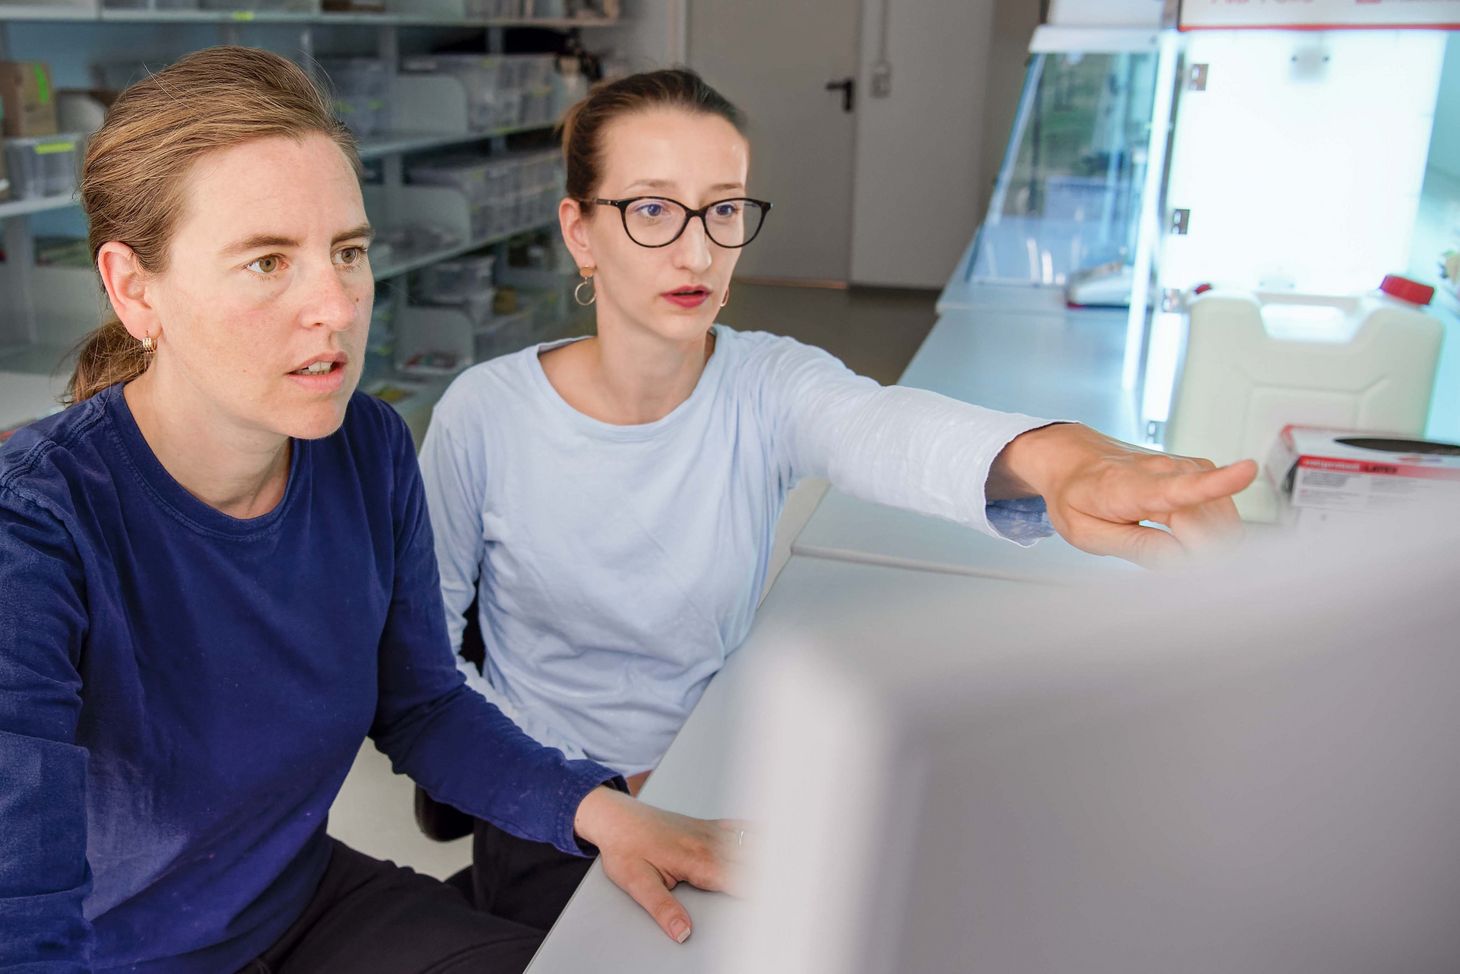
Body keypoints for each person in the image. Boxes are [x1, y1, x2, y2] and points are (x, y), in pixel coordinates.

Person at [417, 68, 1258, 926]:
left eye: (724, 209)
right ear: (581, 231)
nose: (699, 252)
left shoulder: (763, 383)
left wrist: (1058, 459)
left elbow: (884, 428)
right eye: (652, 209)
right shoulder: (485, 414)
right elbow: (427, 664)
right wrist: (591, 796)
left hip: (708, 773)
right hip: (543, 802)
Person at [0, 48, 738, 974]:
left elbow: (424, 705)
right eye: (268, 261)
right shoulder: (35, 524)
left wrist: (605, 815)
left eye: (348, 251)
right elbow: (18, 909)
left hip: (301, 906)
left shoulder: (368, 449)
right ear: (133, 286)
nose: (337, 306)